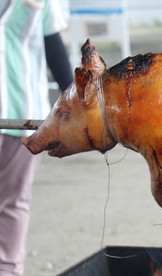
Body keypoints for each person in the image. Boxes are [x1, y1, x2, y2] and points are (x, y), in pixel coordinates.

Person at [0, 0, 73, 275]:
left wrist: (75, 108)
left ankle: (7, 270)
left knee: (14, 200)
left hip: (22, 115)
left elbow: (53, 47)